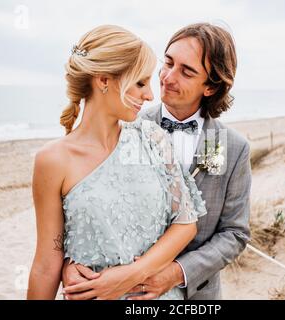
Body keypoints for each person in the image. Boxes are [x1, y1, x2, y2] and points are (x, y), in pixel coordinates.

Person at [62, 22, 251, 300]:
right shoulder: (125, 125)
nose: (167, 77)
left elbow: (234, 233)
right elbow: (91, 202)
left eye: (186, 72)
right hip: (120, 287)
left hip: (195, 296)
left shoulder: (232, 147)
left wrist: (175, 273)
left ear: (210, 87)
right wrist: (72, 261)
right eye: (168, 62)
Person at [27, 25, 207, 300]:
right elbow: (45, 264)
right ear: (103, 80)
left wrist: (131, 276)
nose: (150, 95)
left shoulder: (153, 139)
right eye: (140, 83)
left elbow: (185, 223)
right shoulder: (52, 161)